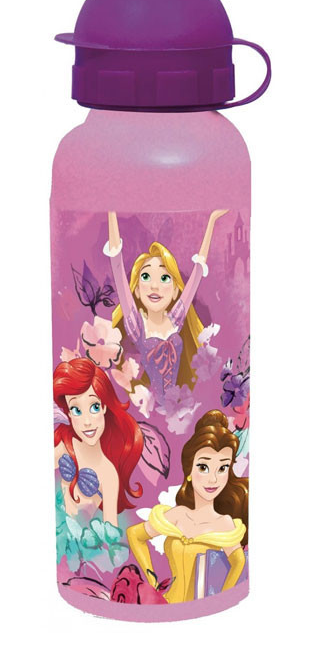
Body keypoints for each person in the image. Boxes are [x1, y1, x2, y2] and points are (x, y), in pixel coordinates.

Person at [126, 409, 248, 603]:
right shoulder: (178, 515)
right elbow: (135, 534)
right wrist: (152, 579)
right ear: (189, 471)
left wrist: (221, 599)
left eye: (222, 468)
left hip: (203, 609)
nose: (213, 479)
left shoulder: (224, 523)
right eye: (203, 467)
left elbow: (238, 562)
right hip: (166, 603)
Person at [105, 210, 227, 399]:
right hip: (149, 401)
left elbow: (197, 272)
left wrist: (211, 220)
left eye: (164, 278)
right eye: (146, 276)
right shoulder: (137, 325)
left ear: (175, 291)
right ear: (137, 290)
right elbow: (117, 265)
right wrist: (111, 210)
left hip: (179, 401)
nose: (155, 286)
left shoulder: (175, 319)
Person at [53, 358, 143, 527]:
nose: (87, 422)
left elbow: (111, 532)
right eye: (76, 410)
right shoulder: (66, 445)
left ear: (104, 407)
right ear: (69, 414)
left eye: (94, 407)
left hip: (80, 539)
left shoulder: (108, 474)